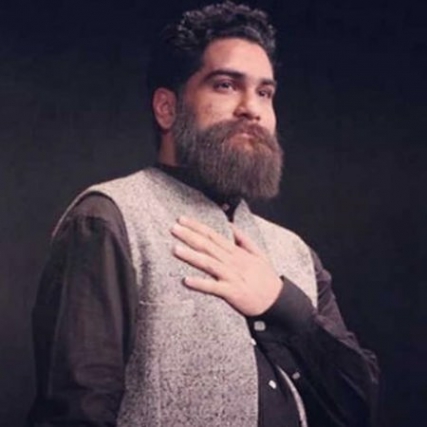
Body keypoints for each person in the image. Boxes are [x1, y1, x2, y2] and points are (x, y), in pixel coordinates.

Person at [28, 2, 379, 426]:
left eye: (265, 93)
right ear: (167, 108)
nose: (252, 108)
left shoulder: (295, 252)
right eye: (226, 85)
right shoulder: (107, 220)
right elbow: (75, 416)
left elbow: (358, 406)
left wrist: (281, 303)